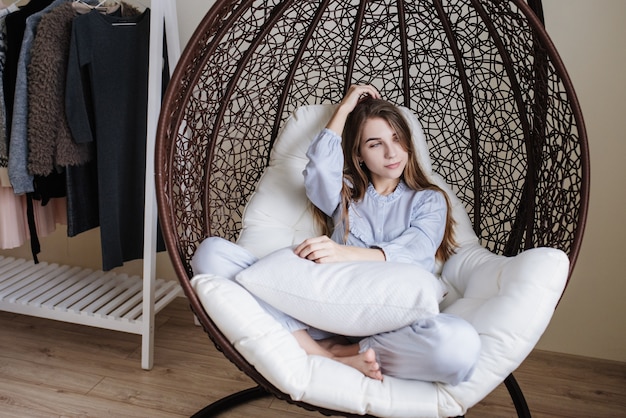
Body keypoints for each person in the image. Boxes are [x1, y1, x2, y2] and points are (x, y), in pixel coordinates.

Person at [192, 85, 480, 384]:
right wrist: (344, 109)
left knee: (457, 348)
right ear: (358, 154)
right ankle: (320, 351)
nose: (392, 152)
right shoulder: (347, 192)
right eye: (375, 143)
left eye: (397, 139)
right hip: (321, 313)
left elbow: (417, 252)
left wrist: (344, 253)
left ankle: (349, 351)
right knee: (212, 253)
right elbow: (318, 170)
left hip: (392, 326)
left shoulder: (428, 199)